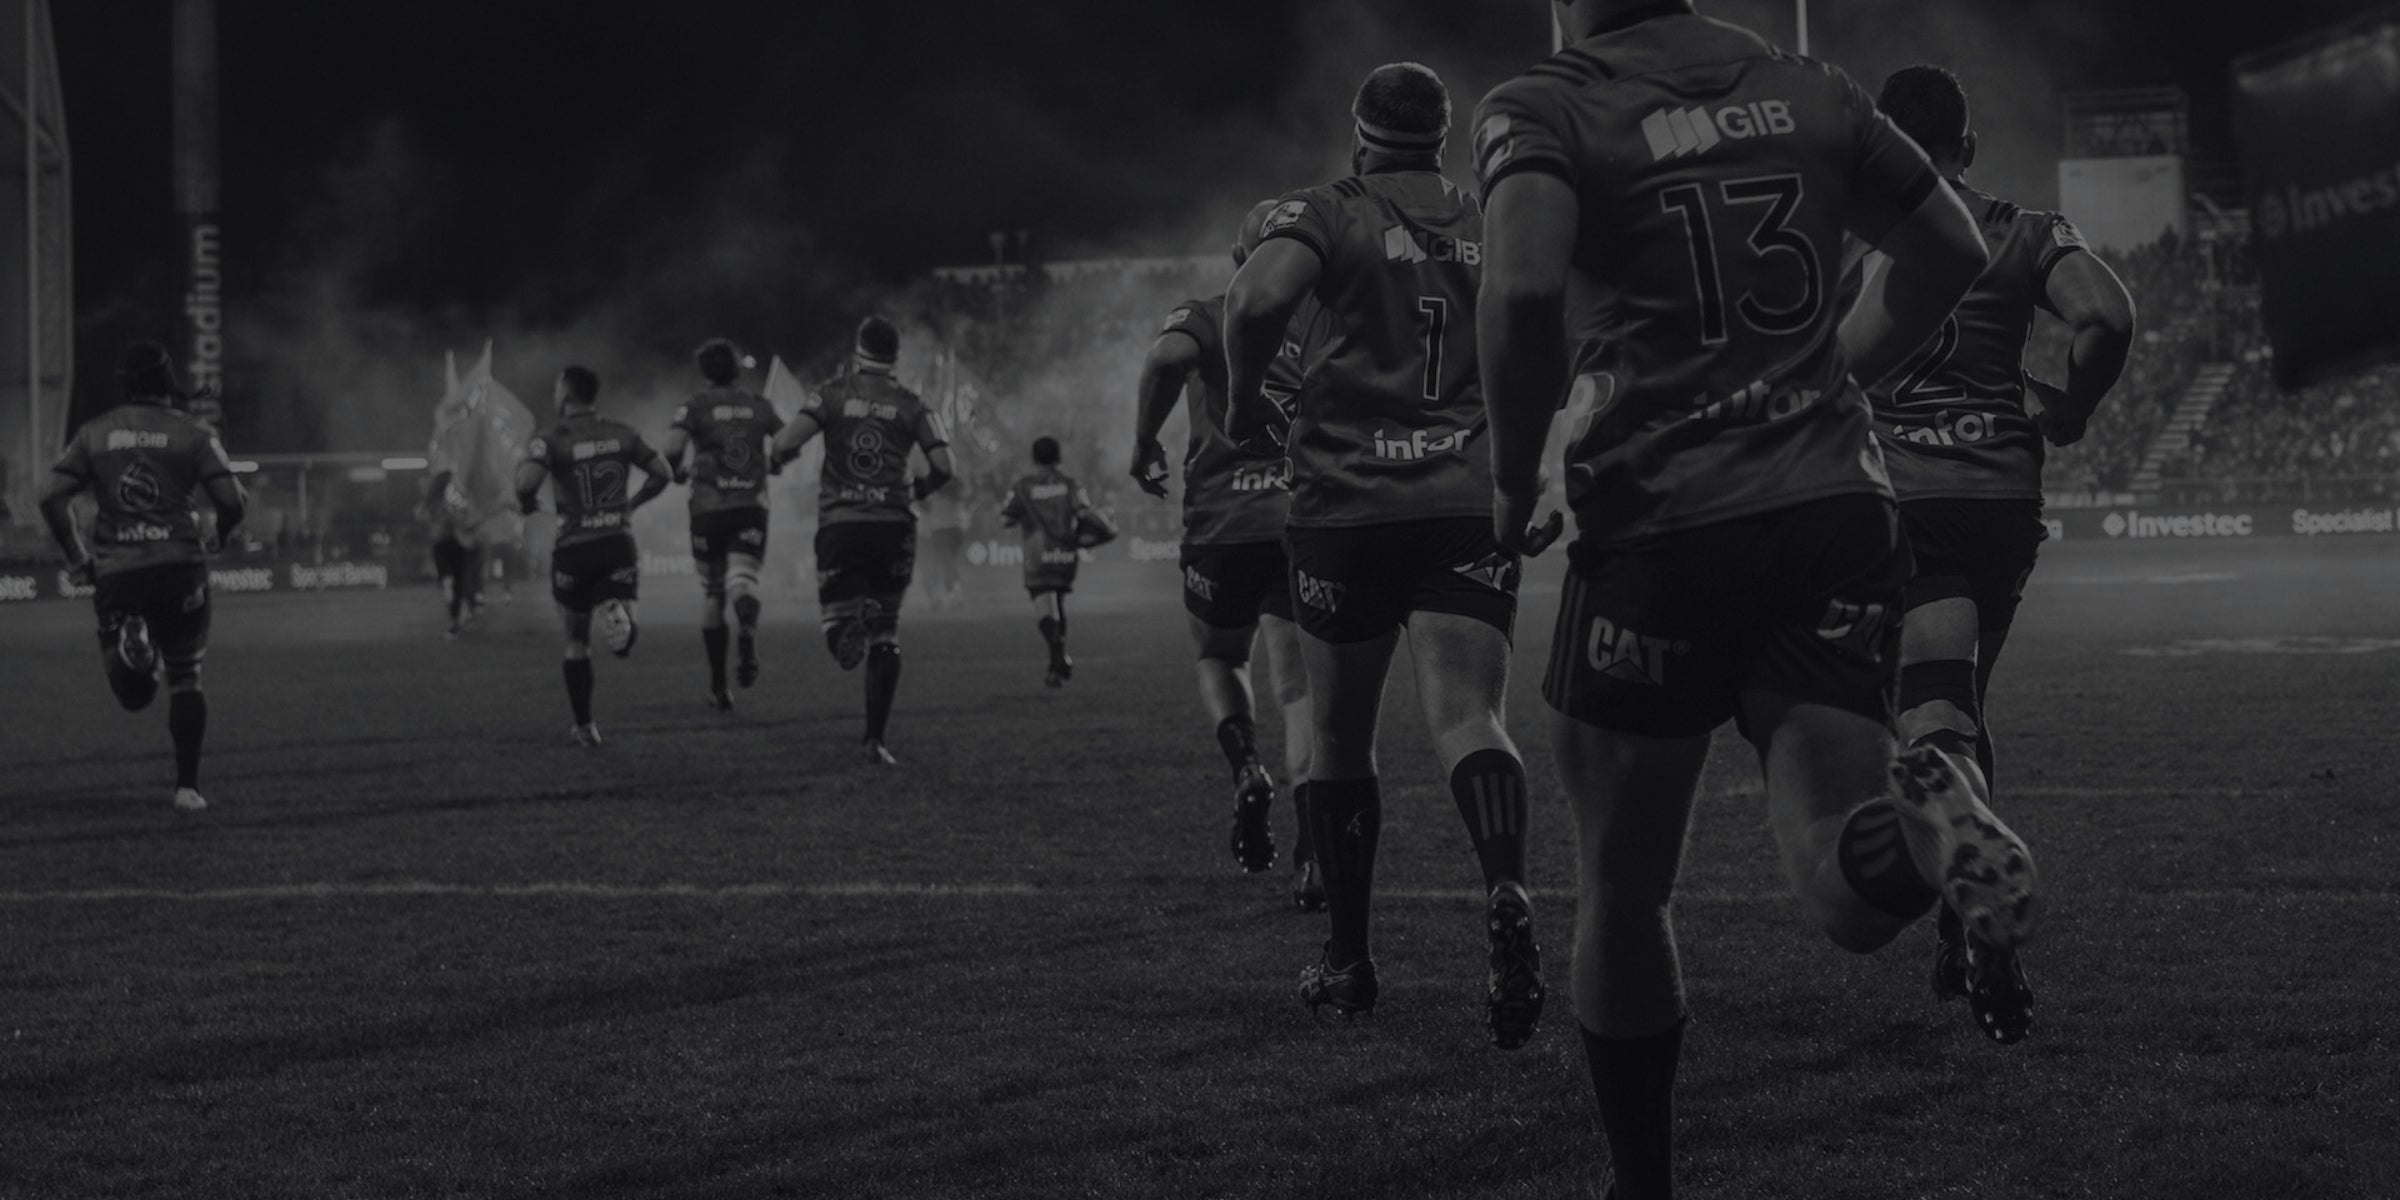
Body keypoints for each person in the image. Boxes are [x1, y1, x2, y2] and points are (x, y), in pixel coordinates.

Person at [1474, 3, 2022, 1194]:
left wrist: (1513, 481)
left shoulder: (1547, 103)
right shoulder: (1808, 85)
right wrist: (1839, 371)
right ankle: (1932, 823)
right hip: (1833, 511)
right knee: (1841, 882)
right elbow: (1953, 251)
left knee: (1624, 893)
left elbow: (1518, 294)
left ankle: (1643, 1184)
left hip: (1664, 527)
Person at [1224, 62, 1546, 1050]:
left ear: (1360, 131)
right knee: (1468, 715)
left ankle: (1352, 959)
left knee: (1342, 737)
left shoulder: (1329, 208)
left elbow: (1250, 304)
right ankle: (1505, 885)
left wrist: (1242, 409)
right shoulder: (1497, 215)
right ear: (1442, 135)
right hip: (1464, 500)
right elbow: (1554, 330)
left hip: (1350, 507)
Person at [1863, 65, 2135, 1045]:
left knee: (1926, 719)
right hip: (2001, 506)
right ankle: (1961, 924)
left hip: (1900, 502)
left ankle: (1968, 899)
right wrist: (2067, 405)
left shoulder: (1857, 231)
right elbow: (2108, 315)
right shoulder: (2023, 228)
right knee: (1961, 709)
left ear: (1882, 144)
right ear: (1967, 148)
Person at [1132, 199, 1322, 898]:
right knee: (1301, 689)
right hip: (1306, 521)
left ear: (1240, 261)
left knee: (1218, 653)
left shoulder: (1210, 313)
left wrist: (1143, 440)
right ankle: (1312, 851)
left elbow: (1164, 360)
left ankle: (1246, 765)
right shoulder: (1327, 319)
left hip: (1221, 526)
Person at [37, 342, 247, 811]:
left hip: (118, 572)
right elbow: (232, 500)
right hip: (179, 567)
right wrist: (224, 534)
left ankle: (136, 640)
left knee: (134, 697)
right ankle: (187, 788)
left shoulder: (94, 433)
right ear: (167, 383)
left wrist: (76, 555)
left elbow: (51, 496)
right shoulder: (193, 432)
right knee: (186, 677)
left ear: (124, 385)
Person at [769, 316, 955, 764]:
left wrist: (779, 456)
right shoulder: (913, 403)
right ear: (895, 357)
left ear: (858, 350)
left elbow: (787, 440)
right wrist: (918, 490)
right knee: (887, 635)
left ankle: (850, 624)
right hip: (894, 523)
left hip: (842, 522)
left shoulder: (832, 392)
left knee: (836, 627)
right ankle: (875, 739)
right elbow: (946, 465)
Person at [514, 365, 674, 747]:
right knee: (622, 624)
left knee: (576, 642)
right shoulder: (623, 433)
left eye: (556, 389)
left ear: (566, 395)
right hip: (617, 540)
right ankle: (618, 613)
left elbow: (526, 483)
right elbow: (663, 473)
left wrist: (525, 502)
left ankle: (586, 726)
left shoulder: (551, 438)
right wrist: (631, 504)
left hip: (574, 547)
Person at [661, 338, 785, 711]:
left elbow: (670, 449)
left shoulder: (695, 406)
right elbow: (786, 442)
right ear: (737, 369)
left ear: (705, 372)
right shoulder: (759, 405)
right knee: (743, 580)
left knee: (713, 593)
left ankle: (719, 688)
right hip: (751, 505)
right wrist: (775, 462)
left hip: (708, 508)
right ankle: (747, 628)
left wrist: (680, 471)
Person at [999, 437, 1115, 687]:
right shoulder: (1071, 484)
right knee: (1057, 604)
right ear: (1058, 457)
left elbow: (1006, 519)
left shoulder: (1023, 487)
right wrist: (1101, 532)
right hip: (1065, 555)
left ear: (1034, 458)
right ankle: (1056, 668)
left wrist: (1021, 515)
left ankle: (1059, 653)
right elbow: (1084, 512)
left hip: (1037, 556)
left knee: (1045, 608)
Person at [419, 469, 483, 638]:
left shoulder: (450, 501)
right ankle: (456, 613)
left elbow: (468, 520)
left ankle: (456, 616)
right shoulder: (440, 501)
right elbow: (424, 516)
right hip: (447, 545)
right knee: (453, 583)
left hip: (453, 545)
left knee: (456, 584)